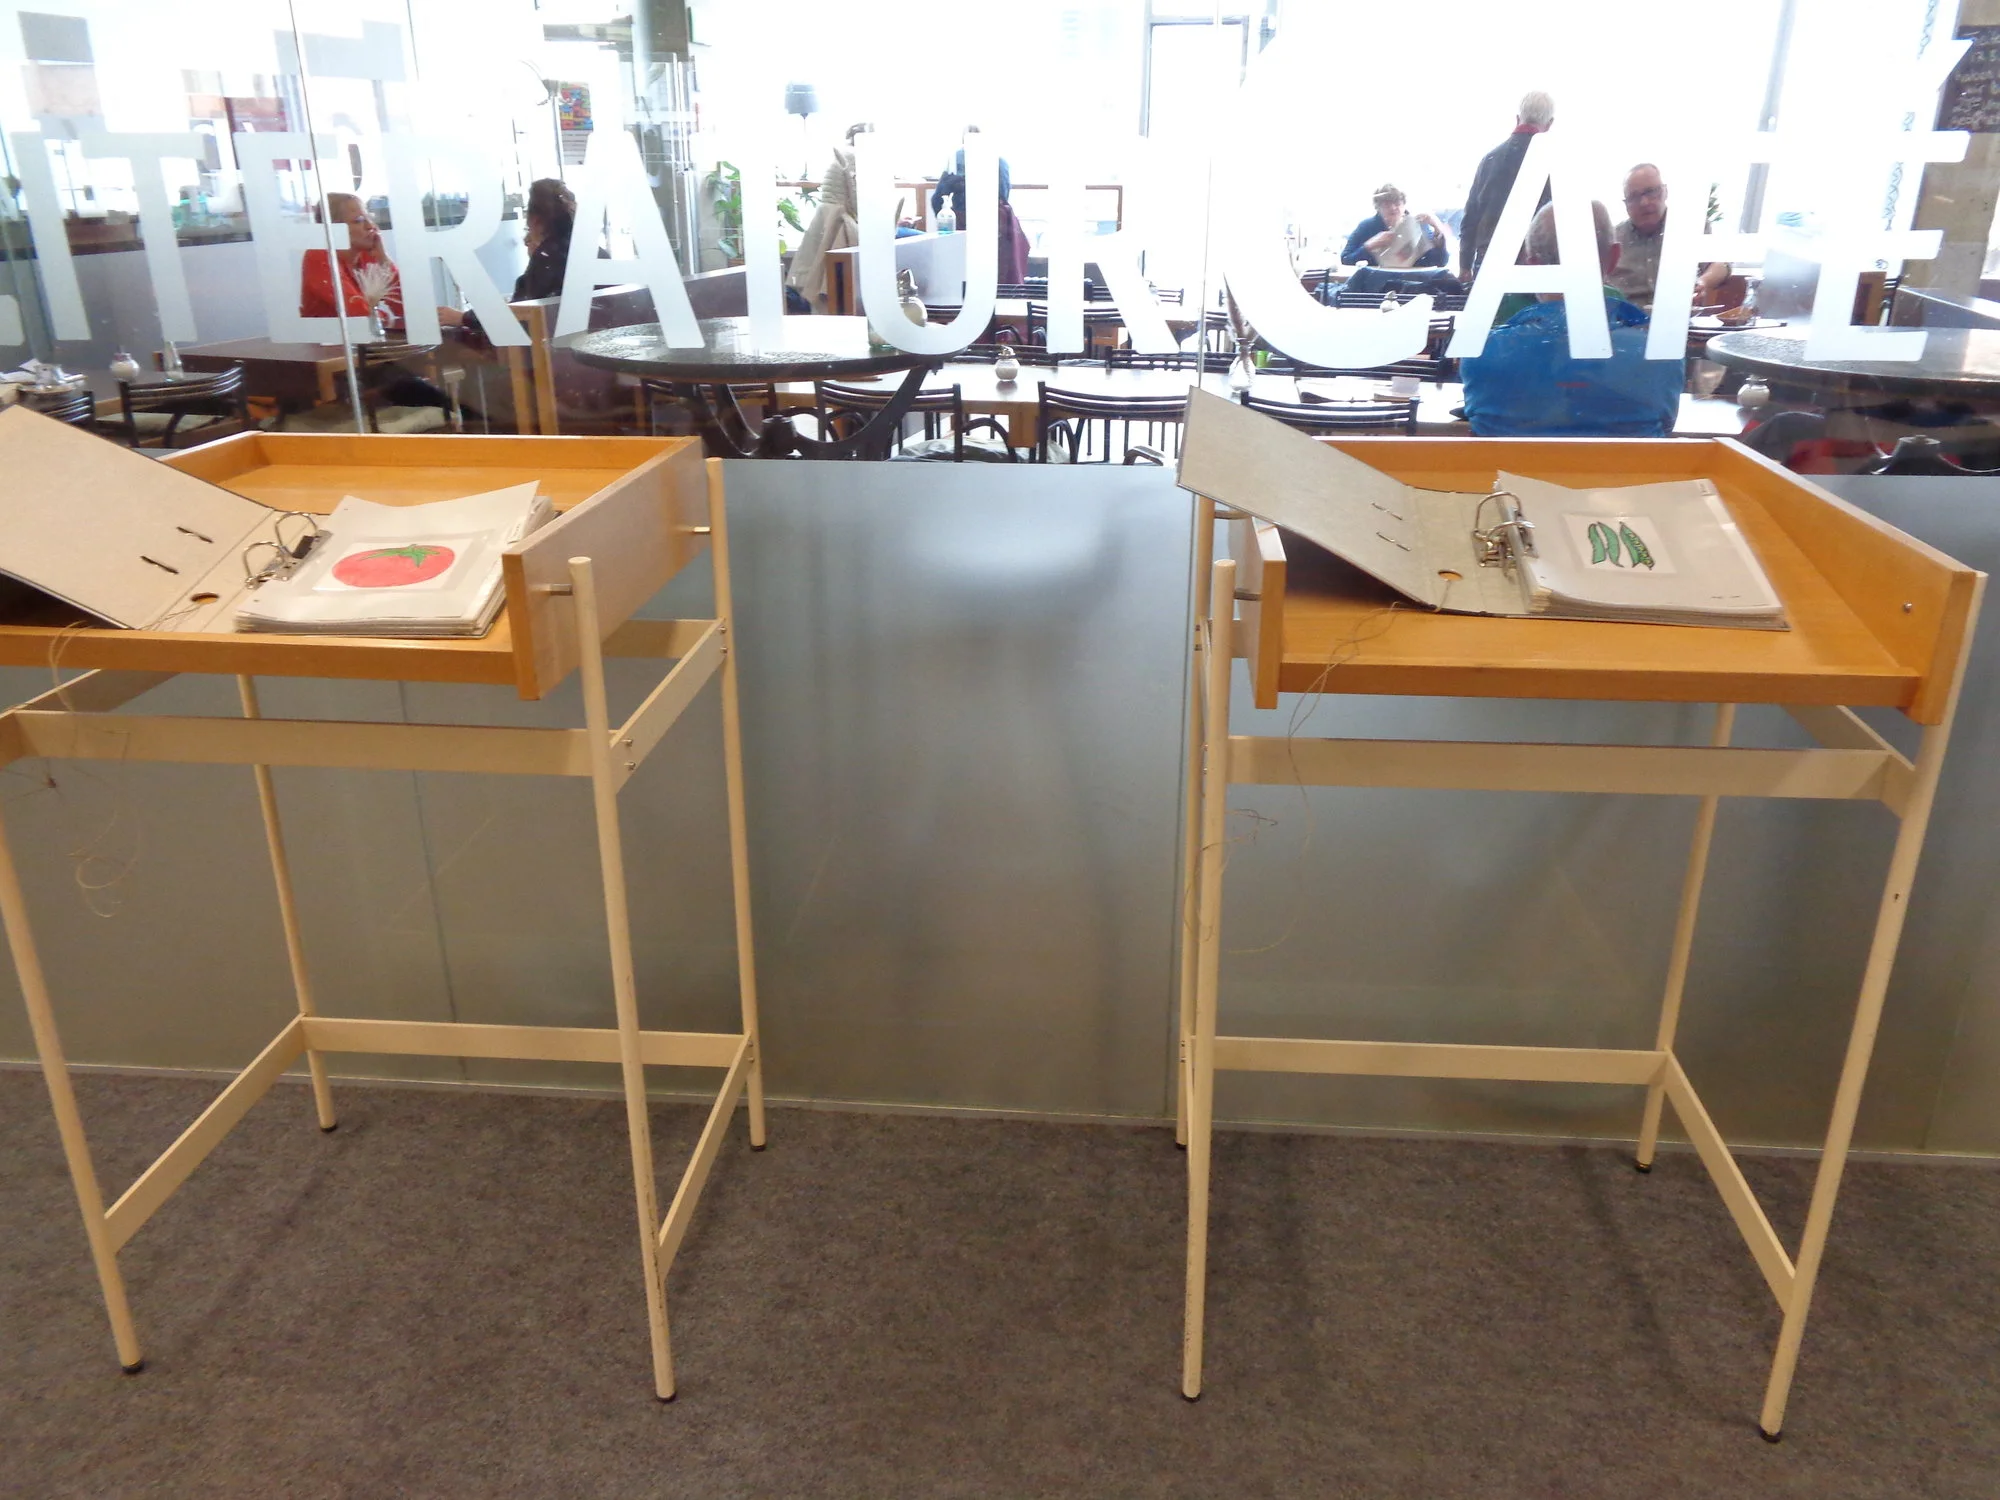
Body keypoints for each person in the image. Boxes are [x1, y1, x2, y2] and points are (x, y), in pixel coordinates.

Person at [1459, 200, 1683, 437]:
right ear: (1614, 257)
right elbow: (1666, 427)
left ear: (1533, 265)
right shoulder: (1662, 356)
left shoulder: (1479, 354)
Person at [1606, 163, 1731, 313]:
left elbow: (1721, 265)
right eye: (1634, 197)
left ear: (1665, 192)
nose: (1644, 202)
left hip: (1680, 316)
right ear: (1626, 204)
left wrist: (1702, 282)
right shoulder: (1613, 238)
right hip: (1627, 320)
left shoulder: (1690, 228)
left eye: (1650, 192)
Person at [1457, 90, 1553, 281]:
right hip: (1537, 265)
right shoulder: (1554, 164)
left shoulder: (1490, 160)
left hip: (1490, 264)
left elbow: (1471, 217)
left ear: (1518, 119)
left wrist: (1465, 265)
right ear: (1549, 124)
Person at [790, 124, 867, 312]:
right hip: (840, 222)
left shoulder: (844, 154)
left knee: (820, 279)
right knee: (838, 283)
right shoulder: (856, 157)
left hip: (826, 217)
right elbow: (857, 198)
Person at [1341, 183, 1449, 269]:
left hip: (1411, 283)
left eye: (1397, 203)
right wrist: (1370, 246)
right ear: (1378, 207)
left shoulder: (1418, 226)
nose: (1393, 208)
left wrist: (1437, 228)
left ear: (1404, 205)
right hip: (1376, 284)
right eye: (1387, 204)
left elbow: (1440, 262)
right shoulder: (1366, 226)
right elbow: (1345, 259)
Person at [930, 124, 1010, 232]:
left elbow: (937, 199)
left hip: (963, 222)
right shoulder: (999, 162)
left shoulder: (955, 160)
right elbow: (1004, 196)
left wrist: (947, 223)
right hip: (992, 223)